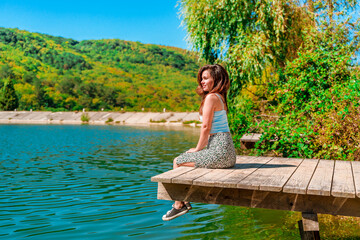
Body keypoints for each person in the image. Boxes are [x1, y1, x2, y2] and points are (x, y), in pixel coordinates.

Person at [162, 64, 236, 221]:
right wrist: (198, 149)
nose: (202, 82)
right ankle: (185, 201)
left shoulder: (211, 97)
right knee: (188, 154)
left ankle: (178, 205)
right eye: (201, 79)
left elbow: (206, 127)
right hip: (226, 151)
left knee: (178, 161)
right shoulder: (220, 97)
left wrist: (197, 149)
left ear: (215, 79)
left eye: (205, 78)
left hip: (220, 153)